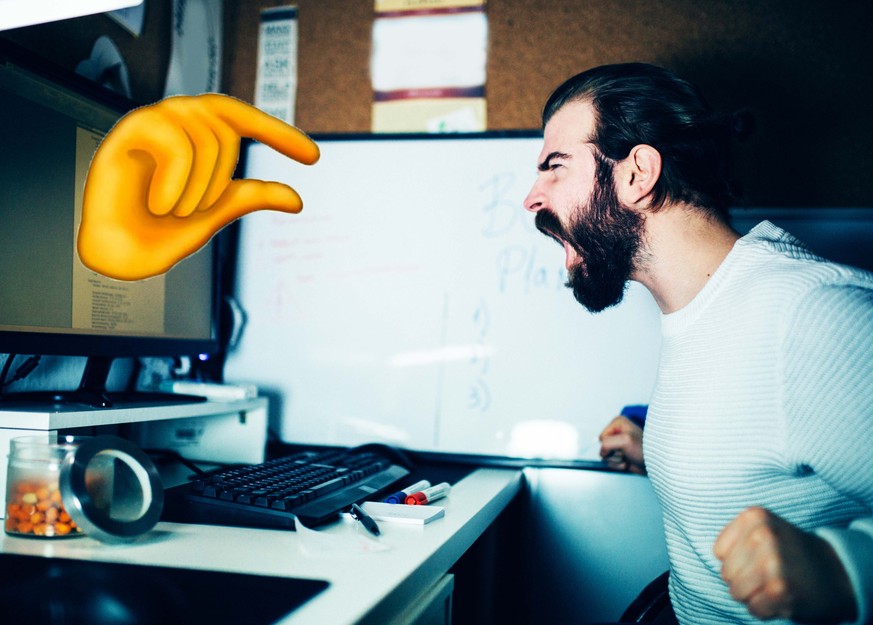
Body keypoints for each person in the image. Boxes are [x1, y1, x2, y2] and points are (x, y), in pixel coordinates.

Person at [523, 62, 873, 624]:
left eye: (554, 167)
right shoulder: (705, 309)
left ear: (638, 173)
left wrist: (845, 568)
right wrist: (663, 450)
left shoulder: (813, 316)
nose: (533, 198)